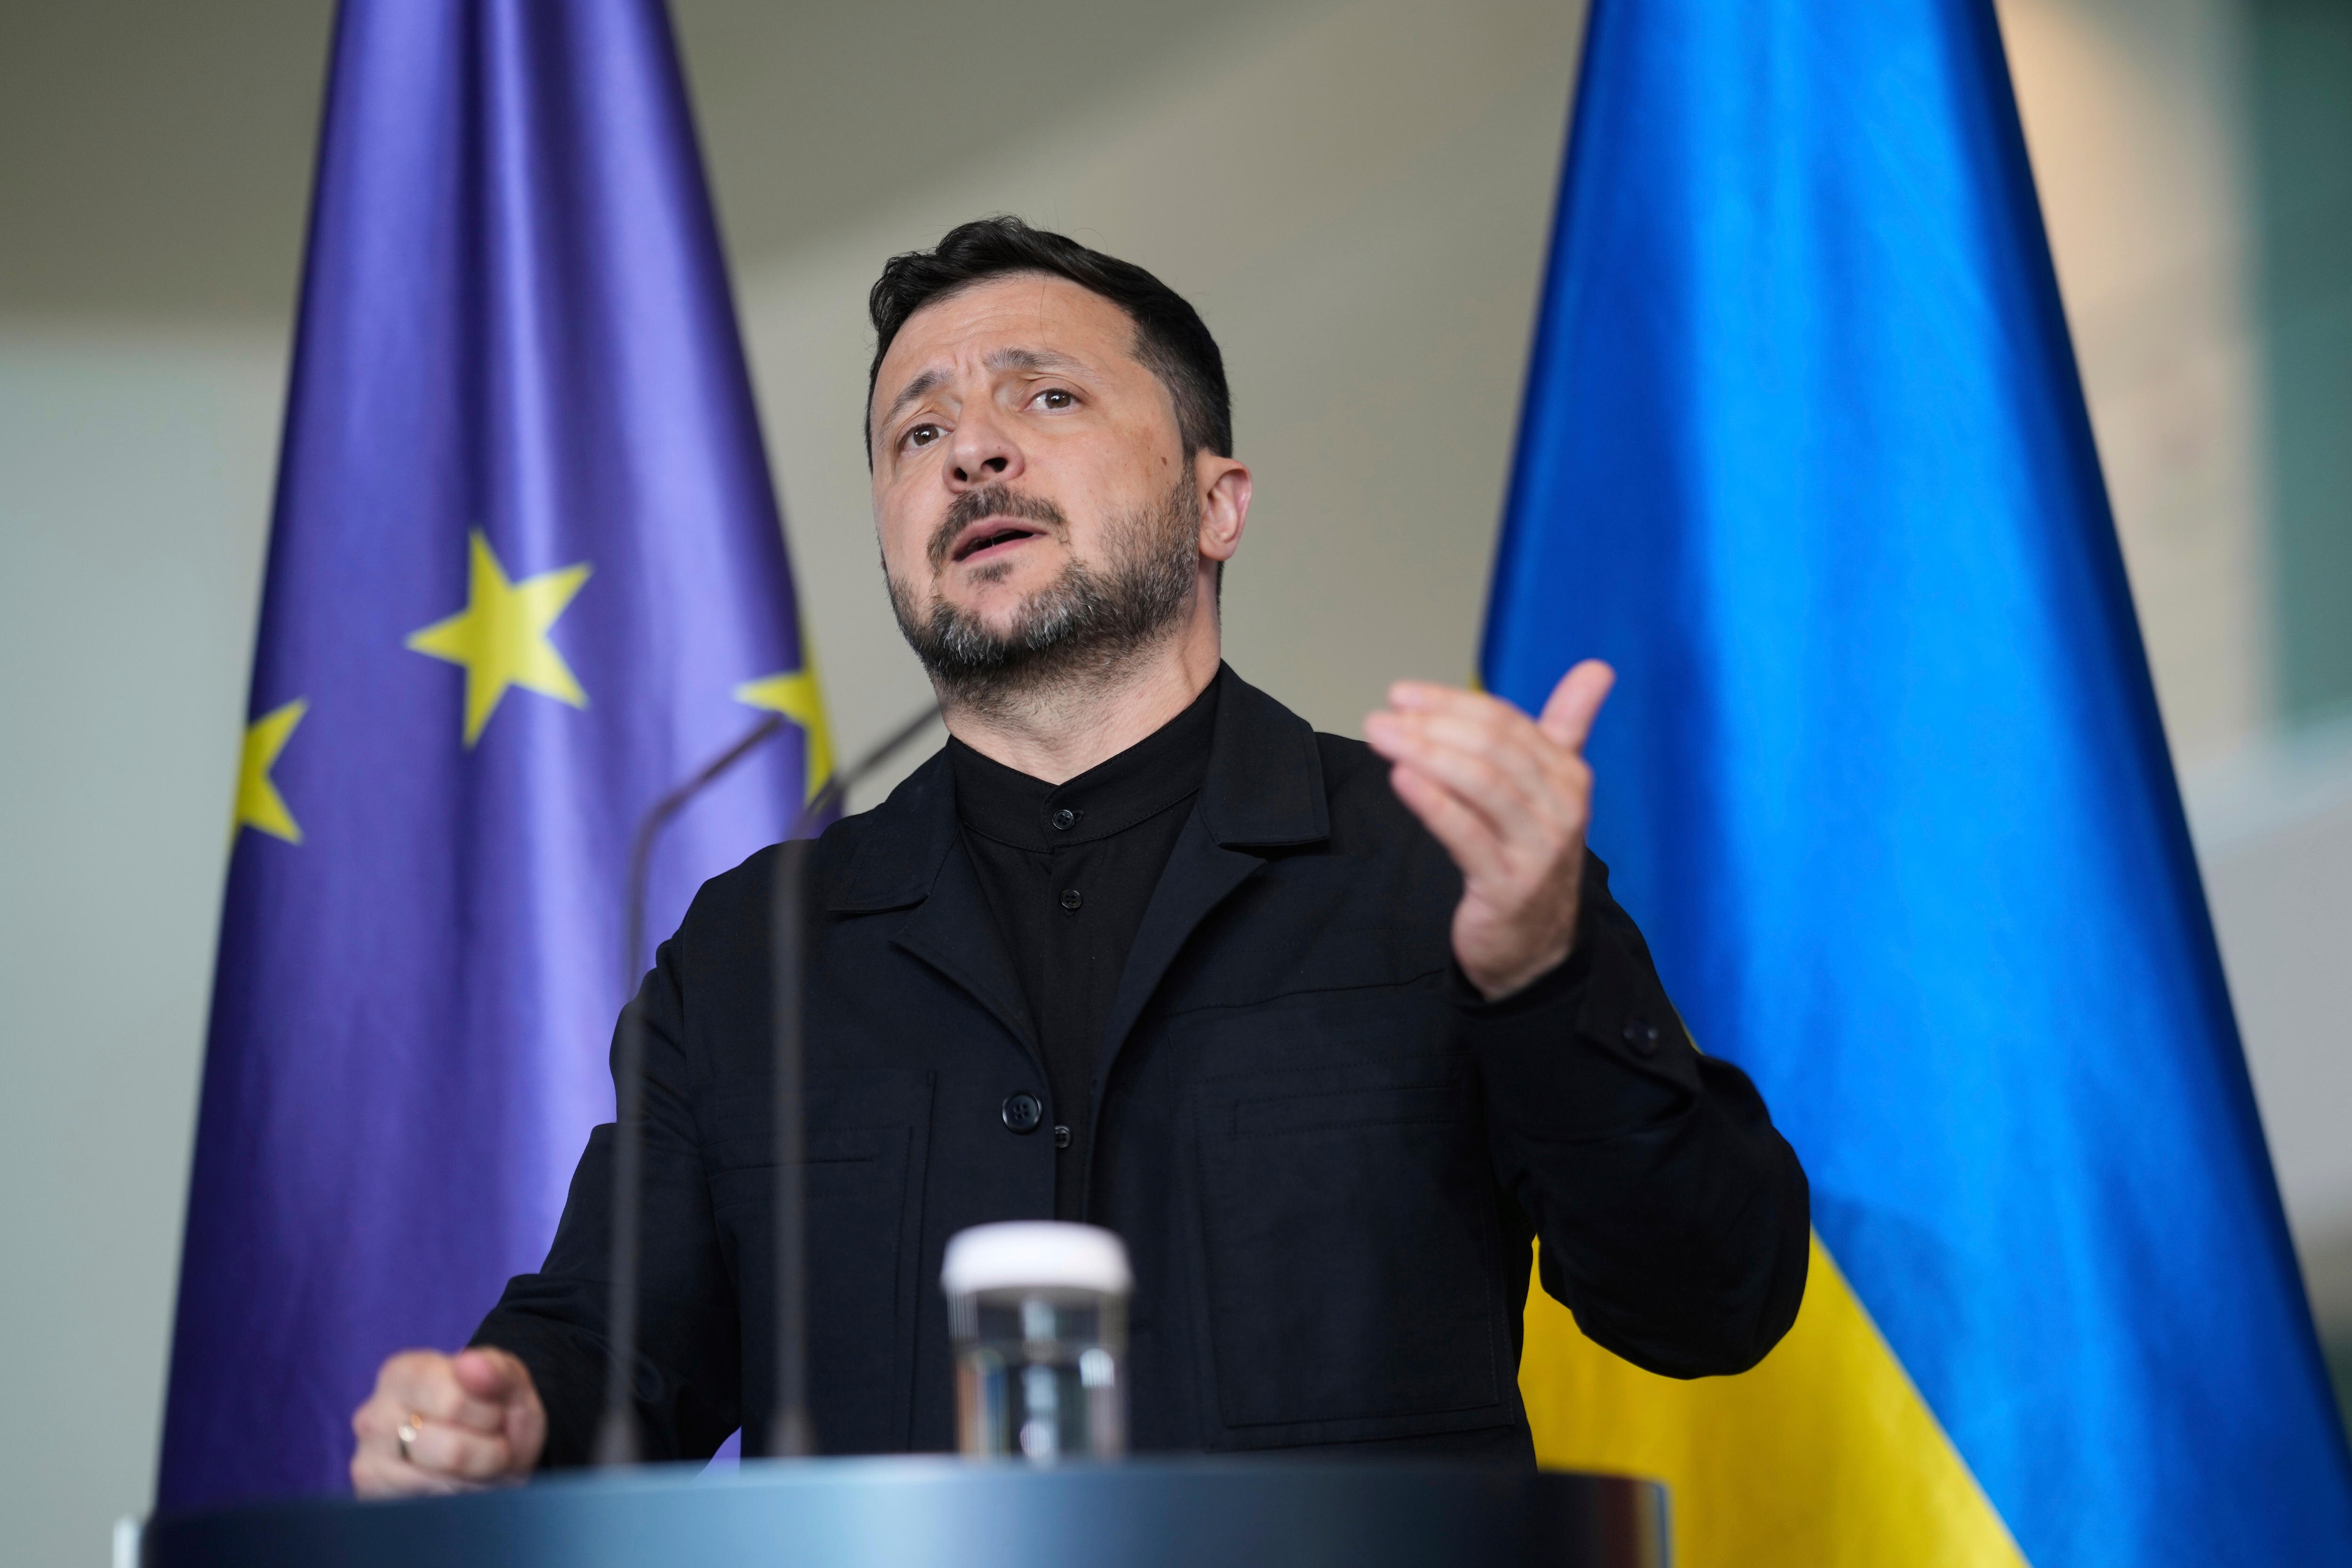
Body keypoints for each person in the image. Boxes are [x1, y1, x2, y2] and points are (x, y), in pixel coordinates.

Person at [350, 217, 1809, 1494]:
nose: (972, 448)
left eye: (1045, 397)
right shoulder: (756, 954)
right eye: (917, 433)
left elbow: (1711, 1301)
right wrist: (510, 1415)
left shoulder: (1442, 870)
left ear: (1217, 501)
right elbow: (621, 1348)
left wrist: (1543, 977)